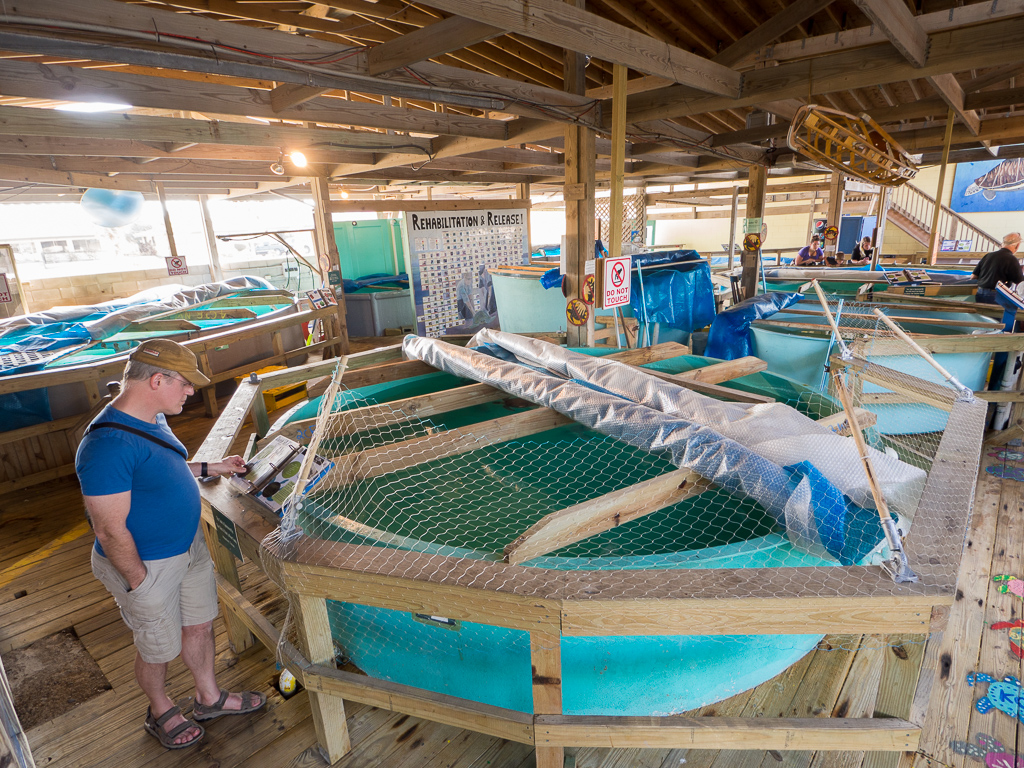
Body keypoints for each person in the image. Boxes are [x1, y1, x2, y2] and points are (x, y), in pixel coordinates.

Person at [75, 339, 266, 750]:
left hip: (188, 547)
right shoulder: (106, 446)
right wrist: (140, 583)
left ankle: (208, 697)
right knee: (157, 645)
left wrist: (210, 467)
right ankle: (160, 709)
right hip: (145, 565)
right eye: (186, 383)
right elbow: (108, 530)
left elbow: (163, 465)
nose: (191, 391)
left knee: (198, 624)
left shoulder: (153, 417)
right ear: (157, 379)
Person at [973, 232, 1024, 304]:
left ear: (1003, 243)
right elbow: (1019, 282)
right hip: (996, 295)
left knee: (982, 314)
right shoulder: (1012, 259)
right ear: (1017, 245)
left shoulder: (988, 255)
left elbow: (973, 276)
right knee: (996, 315)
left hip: (980, 293)